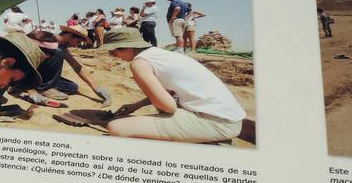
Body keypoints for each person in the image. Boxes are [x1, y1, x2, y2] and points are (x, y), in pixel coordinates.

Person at [101, 27, 245, 143]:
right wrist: (137, 106)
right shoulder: (158, 55)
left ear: (126, 48)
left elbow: (169, 106)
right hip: (228, 118)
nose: (114, 56)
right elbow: (170, 93)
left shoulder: (139, 63)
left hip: (217, 123)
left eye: (113, 52)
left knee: (116, 127)